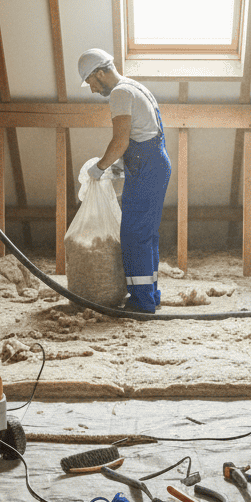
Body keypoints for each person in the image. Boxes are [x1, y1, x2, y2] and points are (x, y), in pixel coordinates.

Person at [78, 49, 172, 314]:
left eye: (91, 82)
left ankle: (141, 302)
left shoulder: (120, 93)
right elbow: (141, 134)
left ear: (99, 73)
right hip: (154, 163)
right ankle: (150, 295)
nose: (92, 89)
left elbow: (120, 140)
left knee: (133, 235)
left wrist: (99, 167)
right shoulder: (135, 86)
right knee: (147, 235)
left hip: (146, 168)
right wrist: (122, 163)